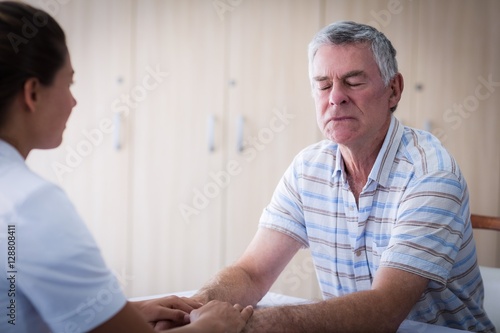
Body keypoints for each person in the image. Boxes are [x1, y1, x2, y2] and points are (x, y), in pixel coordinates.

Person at [190, 21, 496, 332]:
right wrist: (189, 311)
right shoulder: (308, 168)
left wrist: (241, 326)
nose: (336, 97)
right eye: (323, 84)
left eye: (353, 82)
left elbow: (385, 309)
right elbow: (252, 273)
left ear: (394, 90)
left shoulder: (431, 175)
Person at [0, 2, 252, 332]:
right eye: (70, 84)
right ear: (32, 93)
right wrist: (214, 325)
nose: (73, 102)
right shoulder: (31, 205)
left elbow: (16, 312)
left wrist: (122, 311)